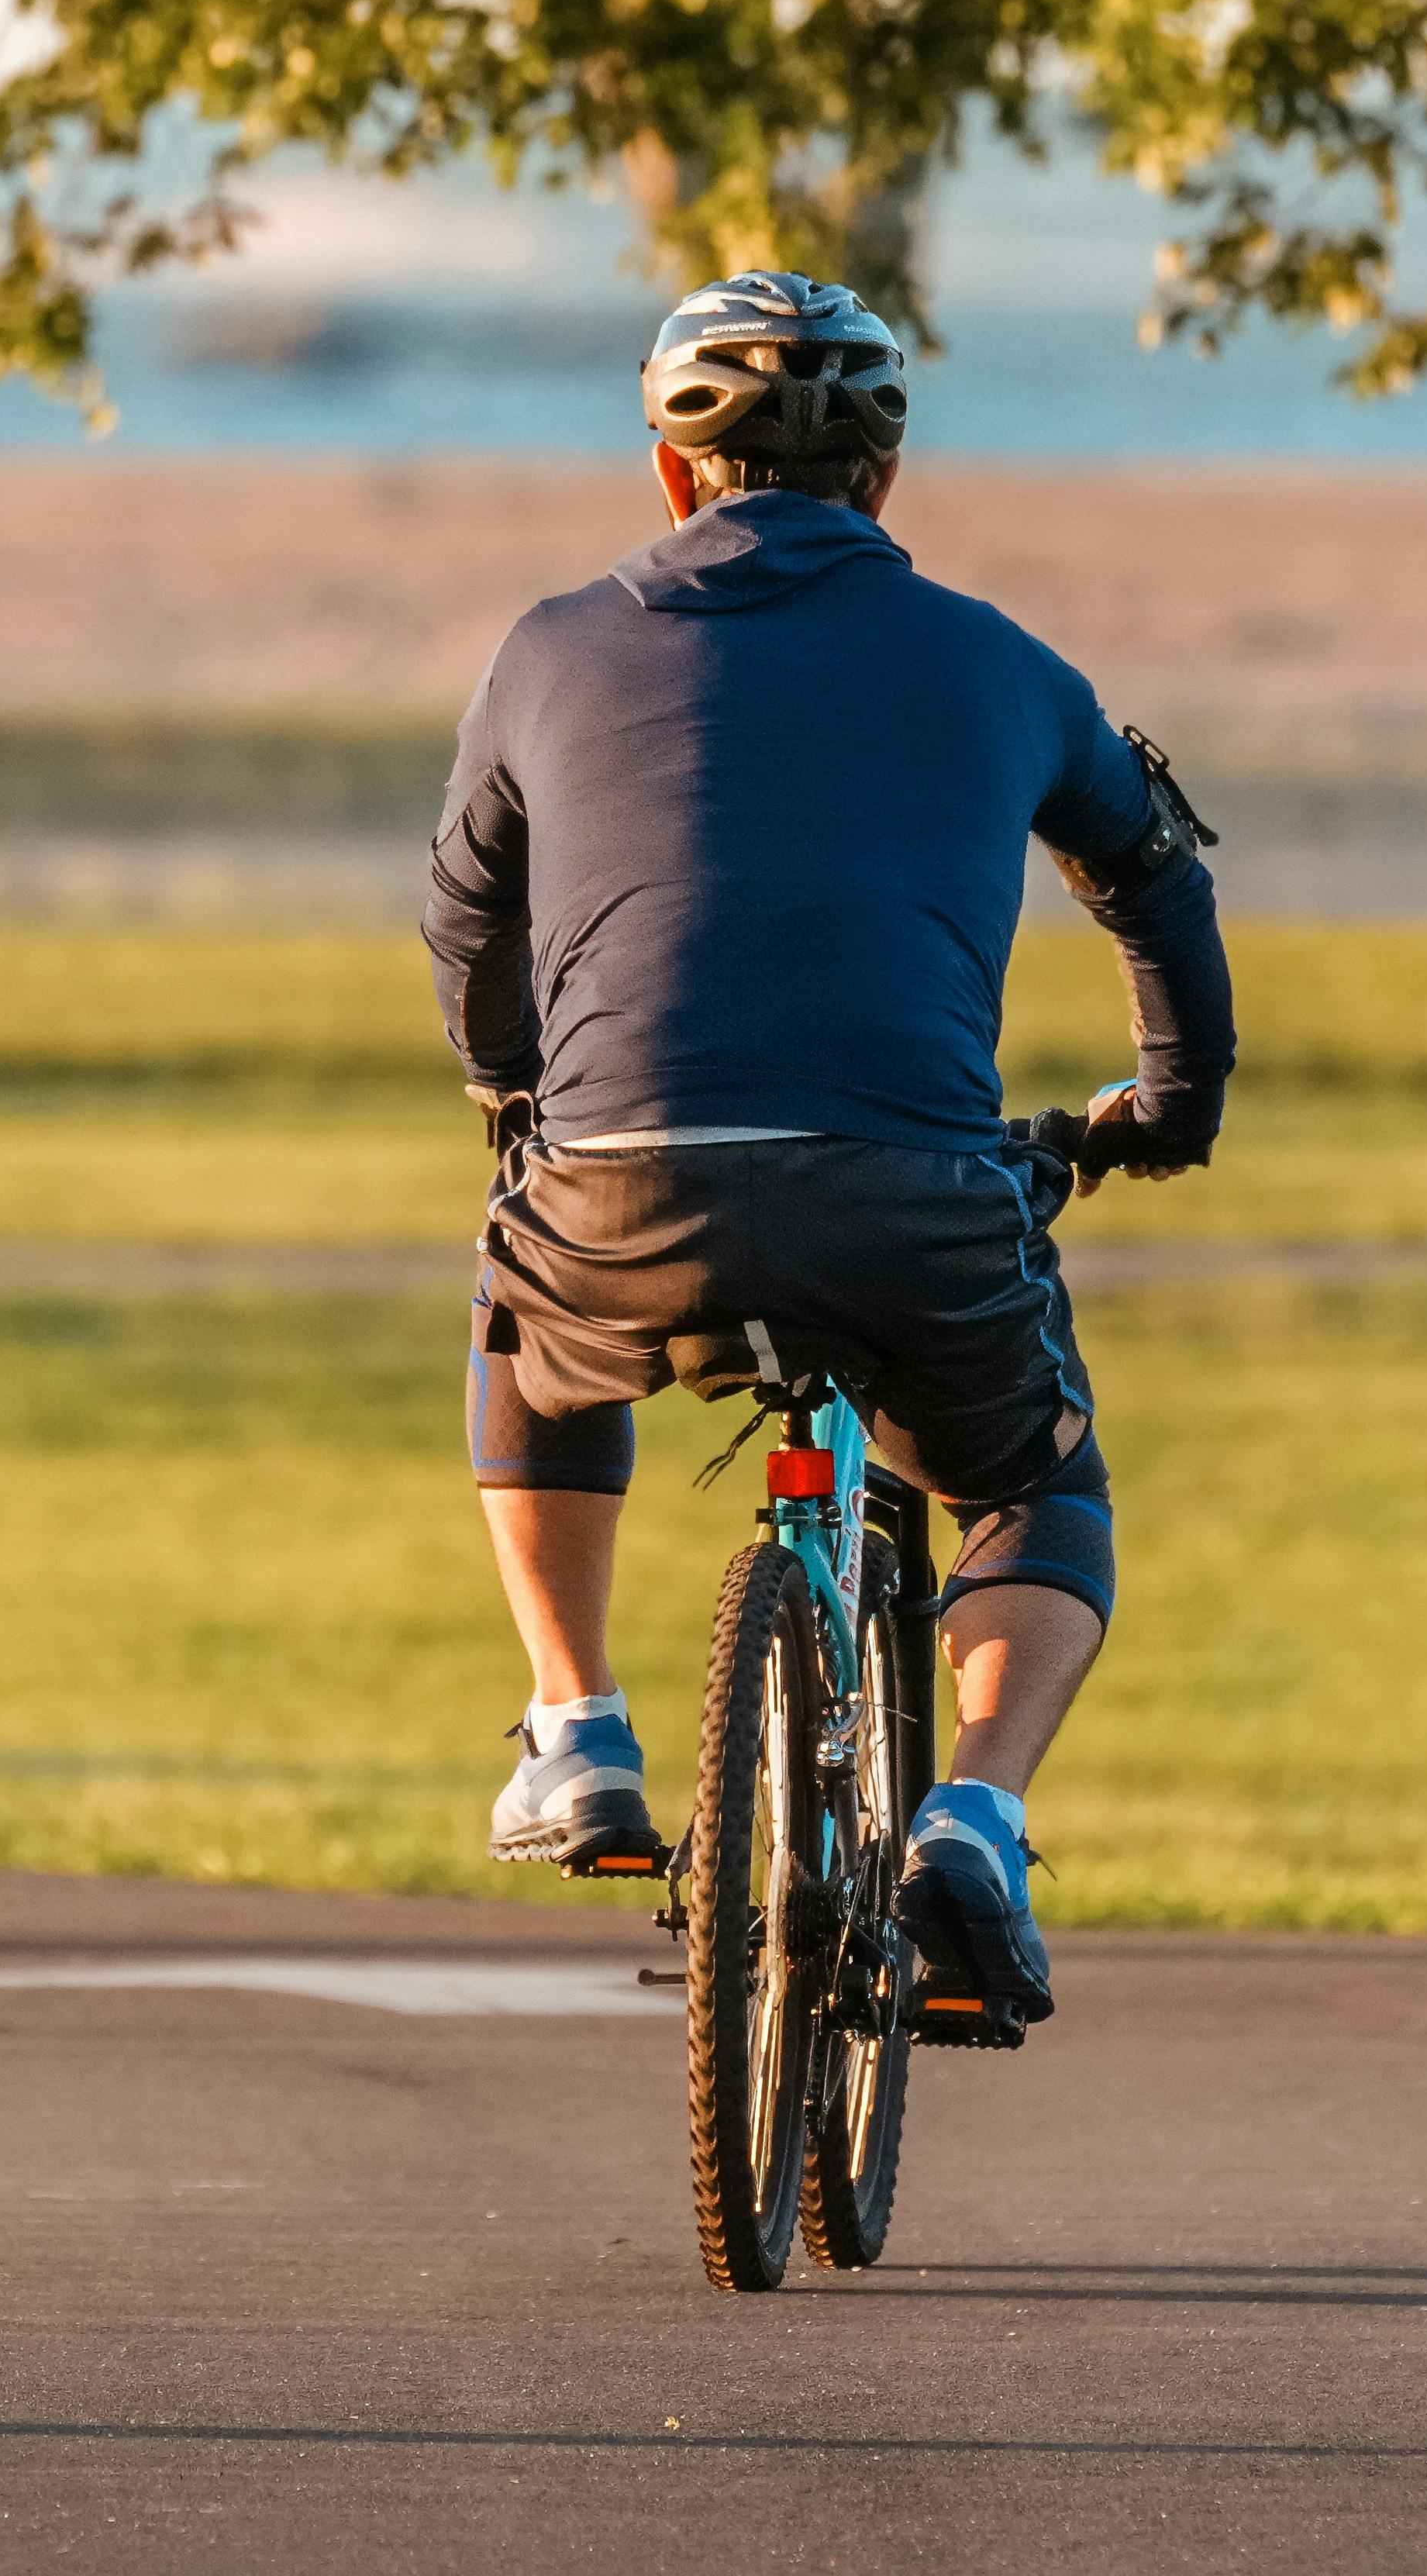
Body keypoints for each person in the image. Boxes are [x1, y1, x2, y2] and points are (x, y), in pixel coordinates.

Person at [423, 268, 1236, 2029]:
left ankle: (573, 1727)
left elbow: (466, 913)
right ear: (884, 480)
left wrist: (519, 1095)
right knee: (1035, 1479)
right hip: (914, 1198)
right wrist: (1167, 1107)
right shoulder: (1004, 663)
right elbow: (1160, 879)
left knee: (530, 1304)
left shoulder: (548, 649)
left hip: (618, 1183)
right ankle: (974, 1813)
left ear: (664, 469)